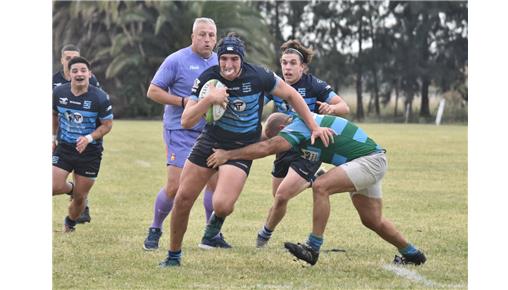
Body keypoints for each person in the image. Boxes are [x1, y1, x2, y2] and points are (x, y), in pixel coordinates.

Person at [159, 33, 334, 267]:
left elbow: (292, 95)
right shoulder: (208, 79)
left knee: (222, 205)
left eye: (234, 59)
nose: (228, 64)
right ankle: (173, 256)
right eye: (224, 59)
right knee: (182, 198)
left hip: (242, 147)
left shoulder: (259, 76)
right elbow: (187, 121)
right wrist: (209, 99)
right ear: (218, 59)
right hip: (210, 141)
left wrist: (314, 126)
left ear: (242, 60)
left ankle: (213, 228)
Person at [207, 112, 427, 266]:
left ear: (283, 129)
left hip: (370, 160)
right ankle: (412, 254)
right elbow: (266, 143)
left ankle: (313, 248)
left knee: (321, 187)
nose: (280, 142)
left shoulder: (299, 125)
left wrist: (228, 155)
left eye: (279, 136)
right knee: (372, 220)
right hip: (368, 159)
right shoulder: (303, 125)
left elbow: (268, 147)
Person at [257, 40, 350, 248]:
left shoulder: (314, 85)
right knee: (278, 197)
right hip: (284, 145)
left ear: (303, 67)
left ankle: (263, 236)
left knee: (282, 194)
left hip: (309, 146)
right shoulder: (276, 85)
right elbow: (256, 105)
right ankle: (311, 179)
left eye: (292, 63)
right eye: (284, 63)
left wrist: (331, 109)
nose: (287, 68)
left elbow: (344, 106)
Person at [143, 17, 220, 251]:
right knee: (175, 186)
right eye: (202, 35)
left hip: (210, 132)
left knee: (214, 183)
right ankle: (155, 228)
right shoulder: (176, 60)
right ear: (193, 37)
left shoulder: (220, 62)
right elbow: (153, 91)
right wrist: (183, 101)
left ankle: (211, 235)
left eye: (211, 36)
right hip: (180, 129)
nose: (207, 40)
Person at [52, 56, 113, 233]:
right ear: (69, 74)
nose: (79, 74)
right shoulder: (59, 93)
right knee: (53, 186)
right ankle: (71, 188)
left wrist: (89, 138)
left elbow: (107, 125)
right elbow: (54, 115)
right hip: (65, 147)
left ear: (89, 74)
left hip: (90, 152)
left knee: (80, 198)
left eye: (83, 70)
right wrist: (52, 138)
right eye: (75, 71)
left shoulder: (100, 98)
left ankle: (70, 222)